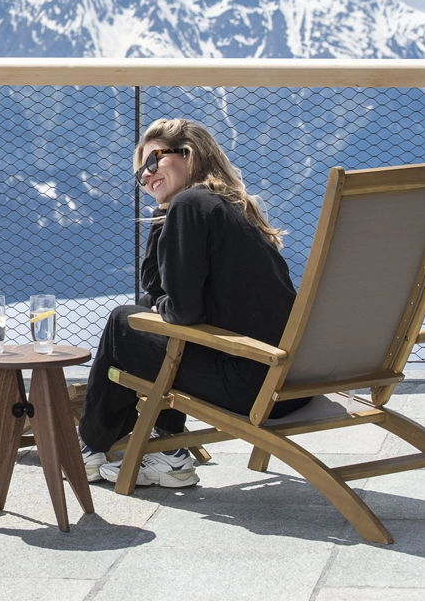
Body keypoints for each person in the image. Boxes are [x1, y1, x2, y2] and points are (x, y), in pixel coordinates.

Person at [77, 118, 308, 487]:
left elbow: (181, 310)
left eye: (153, 162)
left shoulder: (190, 205)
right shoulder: (230, 206)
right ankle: (166, 447)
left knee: (125, 322)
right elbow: (155, 290)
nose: (147, 176)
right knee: (142, 310)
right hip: (290, 384)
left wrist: (160, 310)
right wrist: (160, 216)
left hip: (249, 385)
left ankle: (91, 444)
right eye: (141, 174)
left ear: (189, 154)